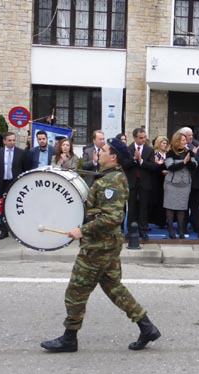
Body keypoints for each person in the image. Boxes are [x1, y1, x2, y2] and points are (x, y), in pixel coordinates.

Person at [40, 138, 161, 353]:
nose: (100, 152)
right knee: (114, 287)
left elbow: (113, 217)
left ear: (113, 156)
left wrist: (82, 230)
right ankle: (146, 327)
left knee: (75, 291)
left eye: (104, 150)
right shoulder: (108, 176)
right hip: (106, 243)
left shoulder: (111, 182)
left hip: (99, 245)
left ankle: (69, 338)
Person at [0, 132, 29, 240]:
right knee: (3, 206)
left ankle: (19, 229)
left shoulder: (21, 153)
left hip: (16, 182)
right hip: (2, 182)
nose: (12, 142)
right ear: (4, 141)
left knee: (17, 204)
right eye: (9, 140)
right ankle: (4, 230)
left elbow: (25, 168)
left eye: (13, 140)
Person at [164, 128, 198, 239]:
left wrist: (188, 162)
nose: (185, 142)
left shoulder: (189, 152)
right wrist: (183, 162)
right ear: (177, 141)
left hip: (185, 184)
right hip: (172, 184)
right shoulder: (170, 152)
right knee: (170, 207)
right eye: (183, 140)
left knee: (182, 207)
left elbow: (194, 166)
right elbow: (170, 167)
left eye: (185, 140)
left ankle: (181, 229)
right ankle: (170, 230)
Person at [124, 128, 156, 240]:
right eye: (140, 138)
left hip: (144, 182)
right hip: (132, 182)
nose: (143, 140)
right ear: (135, 138)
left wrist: (141, 161)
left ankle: (143, 229)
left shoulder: (149, 150)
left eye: (144, 137)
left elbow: (153, 166)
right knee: (131, 206)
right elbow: (124, 165)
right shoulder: (128, 149)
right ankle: (130, 230)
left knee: (143, 207)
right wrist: (134, 159)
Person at [149, 136, 169, 229]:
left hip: (168, 180)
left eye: (166, 143)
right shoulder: (155, 155)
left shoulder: (168, 154)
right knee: (159, 199)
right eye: (163, 143)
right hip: (158, 179)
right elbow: (153, 168)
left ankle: (166, 219)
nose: (165, 145)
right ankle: (159, 220)